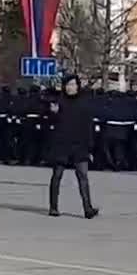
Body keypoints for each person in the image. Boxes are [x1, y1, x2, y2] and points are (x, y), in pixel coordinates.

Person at [48, 74, 99, 219]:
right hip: (62, 144)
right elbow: (51, 122)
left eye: (73, 85)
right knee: (57, 175)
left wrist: (90, 147)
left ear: (77, 86)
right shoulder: (58, 102)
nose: (70, 88)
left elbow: (88, 126)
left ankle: (87, 208)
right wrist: (53, 113)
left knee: (83, 176)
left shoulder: (84, 103)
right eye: (67, 85)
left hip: (80, 145)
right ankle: (53, 207)